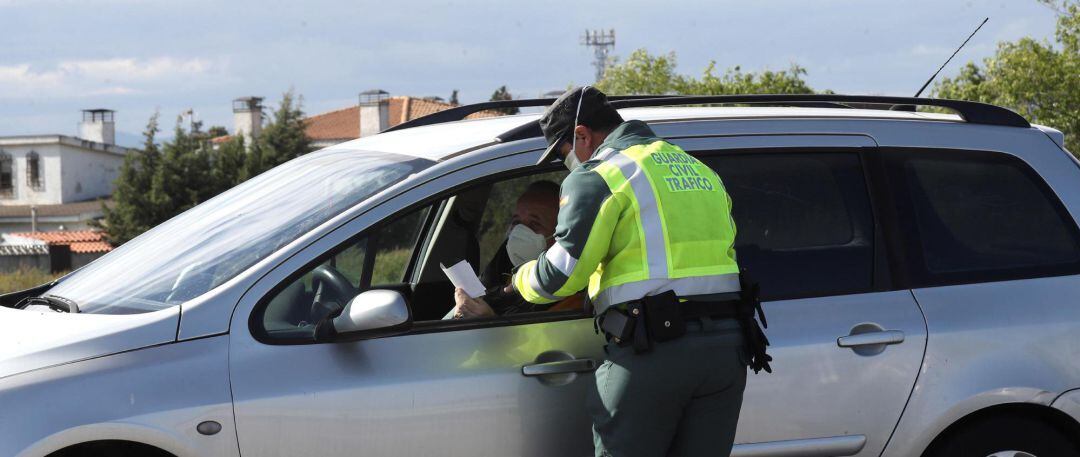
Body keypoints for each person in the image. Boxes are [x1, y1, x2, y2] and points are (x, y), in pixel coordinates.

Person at [510, 86, 771, 457]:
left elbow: (563, 275)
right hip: (727, 350)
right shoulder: (697, 169)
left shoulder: (600, 175)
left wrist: (514, 284)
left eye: (564, 153)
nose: (567, 163)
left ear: (581, 135)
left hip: (654, 352)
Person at [451, 180, 583, 318]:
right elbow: (485, 289)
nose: (520, 231)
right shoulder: (506, 258)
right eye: (516, 222)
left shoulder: (570, 294)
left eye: (534, 224)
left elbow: (541, 338)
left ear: (561, 235)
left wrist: (490, 322)